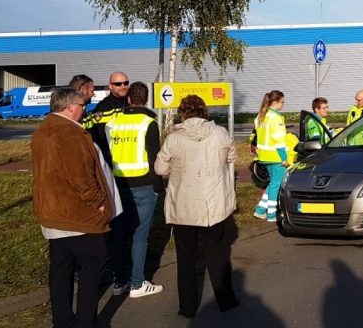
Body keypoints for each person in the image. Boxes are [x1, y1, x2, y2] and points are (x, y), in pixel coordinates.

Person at [32, 87, 114, 328]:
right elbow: (81, 176)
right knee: (96, 261)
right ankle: (85, 321)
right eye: (81, 105)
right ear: (68, 106)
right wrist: (99, 203)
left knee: (61, 268)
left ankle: (62, 321)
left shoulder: (43, 130)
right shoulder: (70, 133)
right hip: (77, 213)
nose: (84, 109)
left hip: (51, 211)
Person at [154, 95, 239, 317]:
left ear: (183, 113)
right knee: (218, 254)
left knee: (186, 258)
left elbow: (160, 169)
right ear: (204, 111)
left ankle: (188, 307)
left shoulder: (174, 138)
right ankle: (226, 300)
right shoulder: (220, 133)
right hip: (214, 204)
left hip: (184, 205)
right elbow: (232, 157)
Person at [106, 81, 164, 298]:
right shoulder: (148, 123)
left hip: (119, 184)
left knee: (120, 234)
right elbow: (154, 158)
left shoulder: (113, 122)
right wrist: (158, 188)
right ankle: (138, 283)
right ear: (146, 100)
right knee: (140, 236)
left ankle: (120, 281)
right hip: (143, 184)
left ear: (129, 99)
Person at [253, 90, 288, 222]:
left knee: (273, 183)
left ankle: (260, 210)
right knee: (276, 185)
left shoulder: (261, 116)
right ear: (274, 102)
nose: (283, 104)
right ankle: (272, 214)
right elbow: (279, 140)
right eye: (282, 102)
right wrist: (284, 158)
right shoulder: (276, 118)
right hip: (275, 156)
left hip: (264, 156)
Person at [88, 71, 131, 166]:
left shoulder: (131, 103)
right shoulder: (103, 107)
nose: (123, 86)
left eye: (126, 83)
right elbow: (101, 138)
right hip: (113, 161)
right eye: (118, 84)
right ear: (110, 86)